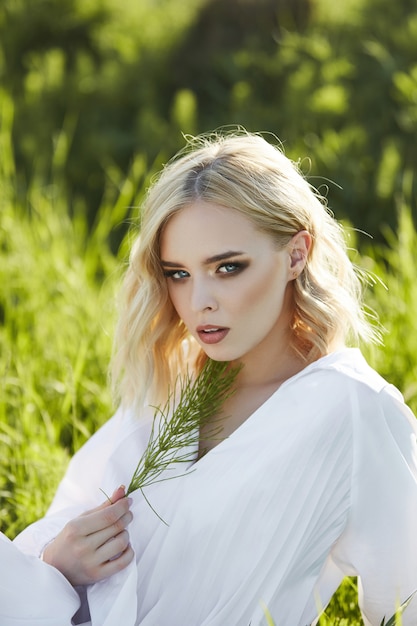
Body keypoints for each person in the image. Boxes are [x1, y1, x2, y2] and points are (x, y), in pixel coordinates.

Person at [9, 131, 417, 626]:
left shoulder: (351, 407)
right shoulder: (172, 382)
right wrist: (61, 566)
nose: (199, 300)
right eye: (178, 273)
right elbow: (56, 537)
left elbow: (407, 595)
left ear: (296, 254)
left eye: (227, 267)